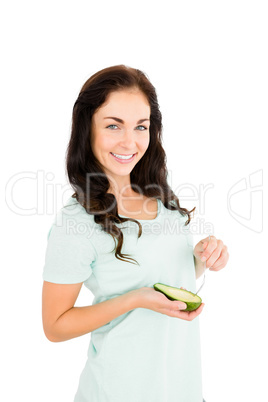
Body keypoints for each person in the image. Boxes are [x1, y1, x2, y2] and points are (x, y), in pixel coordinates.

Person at [42, 65, 229, 402]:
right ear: (88, 130)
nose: (130, 141)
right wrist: (133, 299)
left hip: (183, 389)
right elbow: (55, 325)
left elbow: (169, 274)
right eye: (113, 125)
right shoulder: (77, 223)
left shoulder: (162, 200)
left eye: (140, 126)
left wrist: (201, 259)